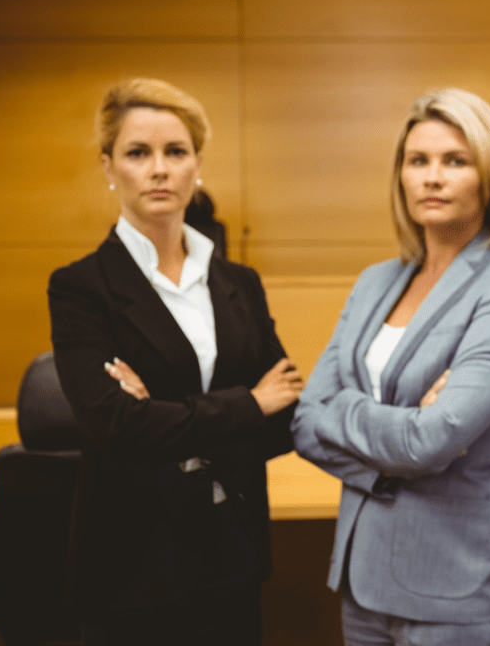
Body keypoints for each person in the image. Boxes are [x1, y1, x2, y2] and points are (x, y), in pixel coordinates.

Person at [48, 78, 304, 646]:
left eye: (176, 152)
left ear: (197, 166)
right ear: (109, 167)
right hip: (133, 560)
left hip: (231, 548)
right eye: (138, 153)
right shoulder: (81, 288)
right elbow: (114, 427)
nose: (159, 169)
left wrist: (163, 419)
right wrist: (247, 403)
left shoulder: (239, 282)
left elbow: (285, 416)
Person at [290, 88, 490, 646]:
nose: (432, 177)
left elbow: (433, 440)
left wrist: (346, 410)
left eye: (456, 161)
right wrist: (393, 445)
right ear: (401, 176)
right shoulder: (374, 282)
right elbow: (304, 421)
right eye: (418, 161)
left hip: (457, 584)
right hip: (362, 578)